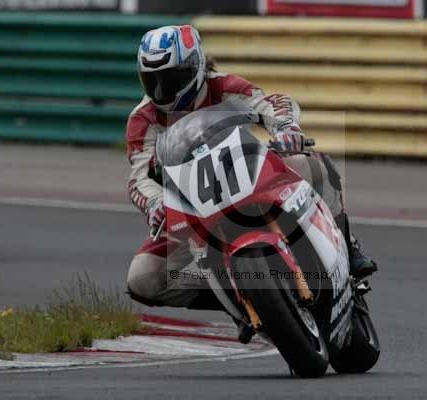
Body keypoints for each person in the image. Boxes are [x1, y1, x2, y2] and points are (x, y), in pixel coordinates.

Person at [125, 25, 377, 340]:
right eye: (153, 80)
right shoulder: (143, 119)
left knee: (309, 163)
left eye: (172, 77)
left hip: (247, 174)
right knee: (143, 277)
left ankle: (348, 246)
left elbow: (269, 104)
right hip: (191, 205)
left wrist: (286, 128)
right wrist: (153, 203)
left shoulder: (223, 86)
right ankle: (241, 300)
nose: (163, 90)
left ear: (196, 66)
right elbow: (139, 177)